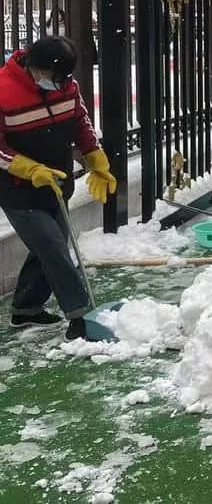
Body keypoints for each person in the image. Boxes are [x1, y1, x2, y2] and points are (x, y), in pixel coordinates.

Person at [0, 37, 117, 341]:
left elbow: (80, 121)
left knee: (46, 249)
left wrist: (96, 158)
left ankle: (26, 309)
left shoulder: (67, 86)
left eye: (64, 78)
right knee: (53, 248)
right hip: (17, 190)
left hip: (57, 183)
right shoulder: (3, 90)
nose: (61, 84)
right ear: (33, 67)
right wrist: (29, 169)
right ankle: (80, 316)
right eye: (55, 77)